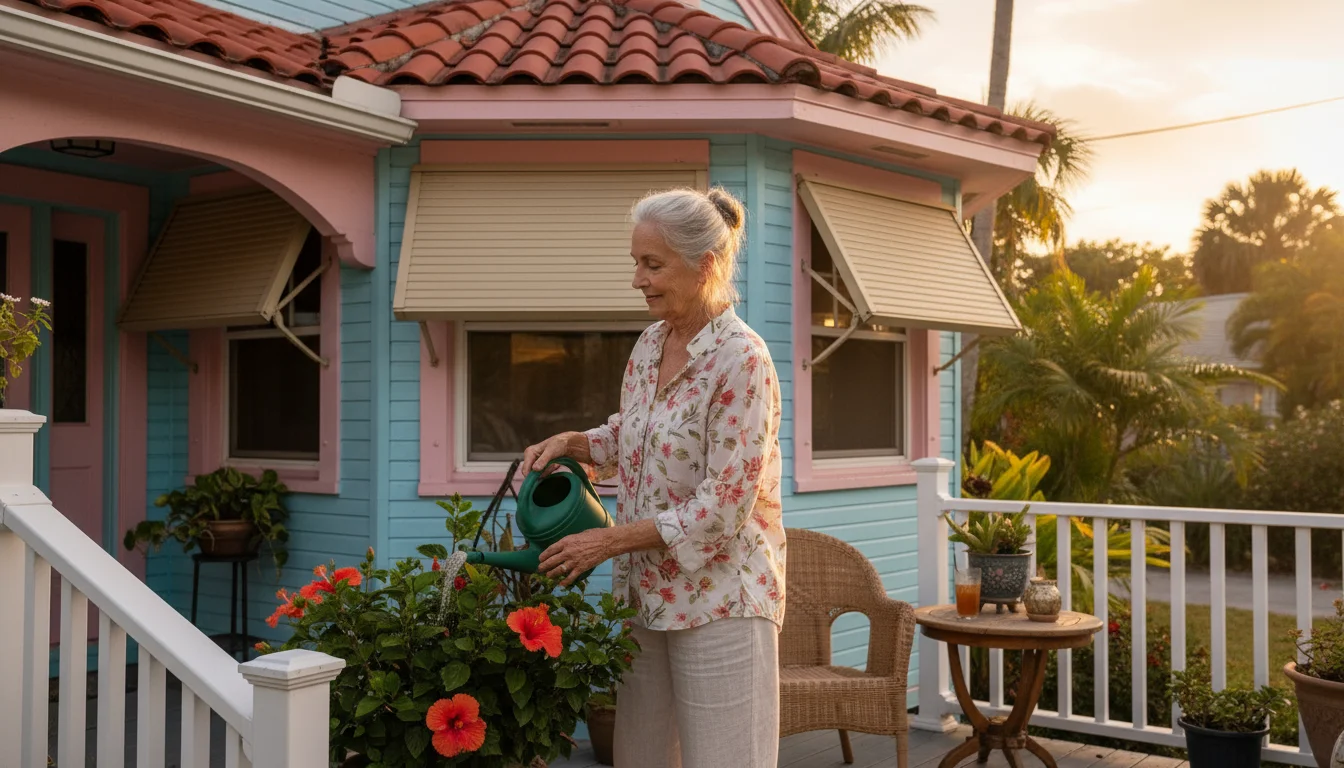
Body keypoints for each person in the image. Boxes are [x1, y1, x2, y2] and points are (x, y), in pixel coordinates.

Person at [522, 186, 786, 768]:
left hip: (722, 599)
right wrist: (573, 442)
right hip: (645, 597)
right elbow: (634, 435)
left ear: (705, 266)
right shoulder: (649, 345)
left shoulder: (743, 359)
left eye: (652, 264)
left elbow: (725, 502)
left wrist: (610, 539)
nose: (637, 279)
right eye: (635, 263)